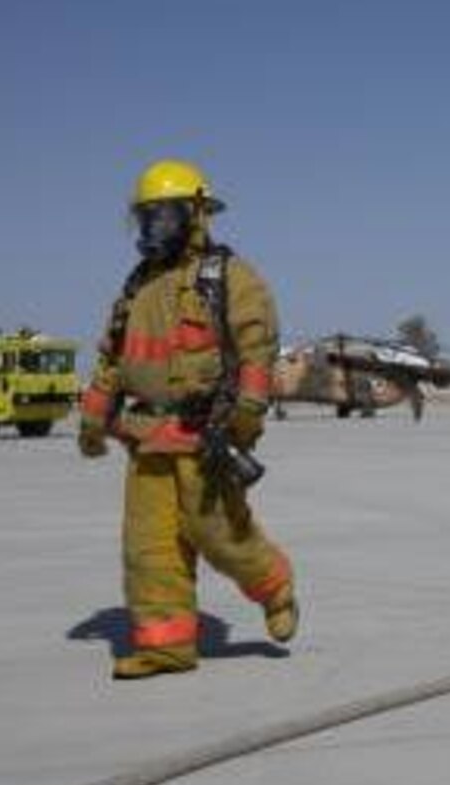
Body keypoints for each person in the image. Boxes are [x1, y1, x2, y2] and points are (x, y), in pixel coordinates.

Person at [79, 159, 298, 680]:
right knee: (148, 550)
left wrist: (246, 418)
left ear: (196, 215)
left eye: (164, 216)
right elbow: (112, 362)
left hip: (205, 437)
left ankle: (275, 585)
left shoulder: (229, 278)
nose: (153, 229)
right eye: (145, 218)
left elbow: (256, 352)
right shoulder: (136, 288)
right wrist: (92, 423)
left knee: (220, 534)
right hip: (146, 439)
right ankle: (166, 647)